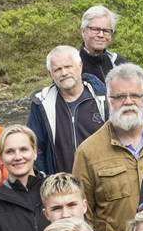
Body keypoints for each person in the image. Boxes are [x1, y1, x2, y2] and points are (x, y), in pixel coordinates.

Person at [71, 63, 143, 231]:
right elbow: (83, 214)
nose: (128, 102)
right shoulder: (88, 152)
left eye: (135, 95)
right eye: (120, 96)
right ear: (109, 100)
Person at [30, 44, 106, 178]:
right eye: (57, 69)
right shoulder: (41, 104)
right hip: (62, 187)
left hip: (102, 181)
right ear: (50, 74)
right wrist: (44, 180)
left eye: (68, 67)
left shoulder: (103, 98)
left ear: (80, 66)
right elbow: (36, 147)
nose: (64, 73)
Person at [75, 5, 122, 94]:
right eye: (95, 29)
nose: (101, 35)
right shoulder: (71, 65)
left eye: (106, 30)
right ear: (83, 31)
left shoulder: (119, 63)